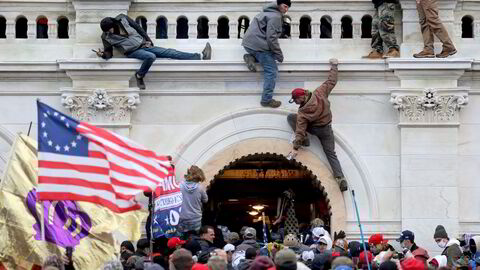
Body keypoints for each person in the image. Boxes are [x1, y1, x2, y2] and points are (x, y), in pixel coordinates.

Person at [96, 14, 212, 89]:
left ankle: (200, 56)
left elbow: (138, 28)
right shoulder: (106, 37)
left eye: (110, 29)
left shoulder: (123, 18)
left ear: (114, 24)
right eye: (107, 31)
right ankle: (139, 75)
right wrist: (103, 55)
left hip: (144, 45)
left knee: (170, 52)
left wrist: (149, 40)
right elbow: (109, 53)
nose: (110, 32)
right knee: (150, 57)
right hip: (132, 52)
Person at [286, 58, 348, 192]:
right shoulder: (319, 93)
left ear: (301, 97)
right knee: (331, 154)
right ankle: (340, 178)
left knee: (291, 118)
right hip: (326, 129)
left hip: (314, 129)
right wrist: (334, 65)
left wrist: (296, 147)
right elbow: (332, 81)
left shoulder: (302, 112)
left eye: (296, 100)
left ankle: (306, 141)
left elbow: (300, 130)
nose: (296, 102)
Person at [241, 0, 291, 108]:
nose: (286, 9)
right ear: (278, 5)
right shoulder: (275, 17)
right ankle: (266, 100)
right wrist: (279, 55)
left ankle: (251, 57)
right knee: (272, 70)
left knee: (269, 57)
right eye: (285, 6)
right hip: (259, 45)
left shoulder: (266, 12)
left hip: (249, 44)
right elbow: (271, 38)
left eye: (288, 8)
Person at [178, 165, 208, 233]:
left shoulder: (180, 185)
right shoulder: (200, 187)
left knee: (181, 241)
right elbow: (205, 200)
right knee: (195, 240)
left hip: (182, 217)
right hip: (195, 219)